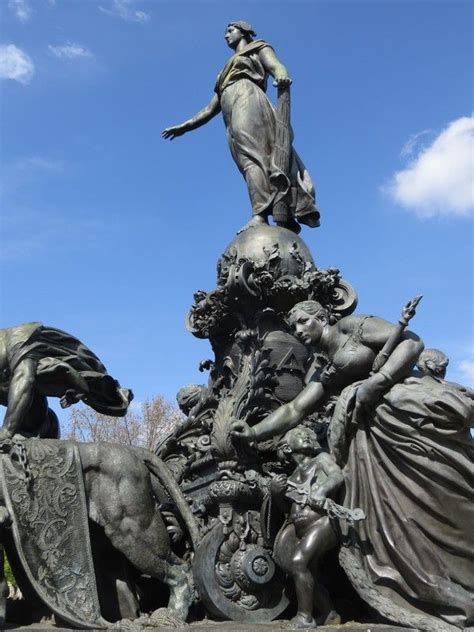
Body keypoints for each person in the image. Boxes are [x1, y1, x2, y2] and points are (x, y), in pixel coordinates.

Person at [162, 21, 319, 233]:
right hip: (229, 113)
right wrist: (185, 126)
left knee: (253, 158)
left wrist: (281, 73)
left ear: (243, 31)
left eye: (230, 30)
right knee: (247, 163)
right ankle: (267, 209)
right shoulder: (224, 73)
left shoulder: (258, 48)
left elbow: (275, 65)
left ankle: (260, 214)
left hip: (248, 99)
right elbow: (209, 109)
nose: (226, 35)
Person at [231, 300, 423, 443]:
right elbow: (294, 409)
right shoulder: (321, 370)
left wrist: (380, 379)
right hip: (368, 424)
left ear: (322, 318)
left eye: (303, 321)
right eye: (292, 328)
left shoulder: (349, 327)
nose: (297, 330)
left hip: (401, 400)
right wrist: (254, 432)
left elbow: (412, 341)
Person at [0, 322, 132, 445]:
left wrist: (7, 431)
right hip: (30, 411)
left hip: (35, 412)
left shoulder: (18, 341)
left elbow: (24, 380)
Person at [271, 426, 342, 629]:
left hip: (323, 522)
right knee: (304, 570)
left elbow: (337, 476)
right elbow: (286, 510)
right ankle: (330, 614)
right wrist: (277, 494)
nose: (306, 435)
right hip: (300, 527)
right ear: (287, 447)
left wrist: (321, 491)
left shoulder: (321, 460)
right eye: (299, 434)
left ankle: (305, 617)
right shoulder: (291, 475)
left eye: (307, 434)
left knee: (298, 562)